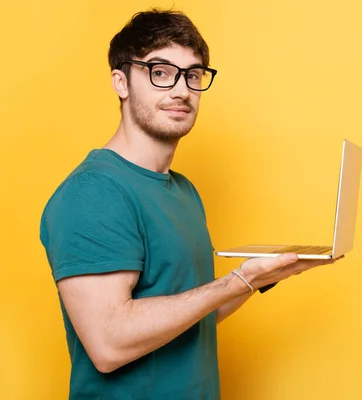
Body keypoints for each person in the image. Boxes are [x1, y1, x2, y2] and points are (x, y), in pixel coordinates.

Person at [39, 8, 340, 399]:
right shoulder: (94, 193)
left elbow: (192, 316)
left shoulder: (183, 191)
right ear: (121, 82)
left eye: (193, 75)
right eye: (160, 72)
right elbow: (108, 345)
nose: (181, 90)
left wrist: (258, 280)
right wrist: (238, 280)